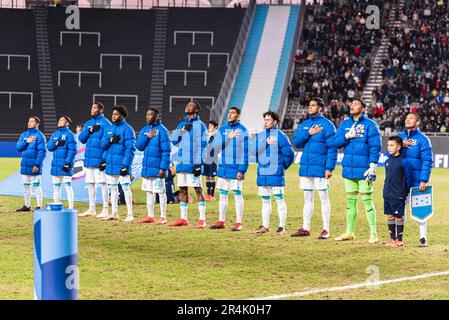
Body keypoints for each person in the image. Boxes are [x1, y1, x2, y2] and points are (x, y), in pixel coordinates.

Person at [332, 98, 381, 244]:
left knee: (367, 201)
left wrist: (373, 165)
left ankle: (373, 234)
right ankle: (349, 232)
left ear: (363, 108)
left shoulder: (370, 125)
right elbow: (335, 143)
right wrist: (346, 136)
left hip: (364, 170)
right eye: (351, 104)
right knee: (350, 202)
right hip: (349, 169)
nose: (352, 106)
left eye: (356, 104)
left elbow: (375, 146)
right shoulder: (345, 124)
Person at [291, 98, 337, 239]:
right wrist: (308, 133)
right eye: (309, 105)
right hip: (306, 167)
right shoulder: (305, 125)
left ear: (320, 108)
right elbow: (296, 142)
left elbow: (332, 147)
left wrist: (329, 167)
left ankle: (326, 229)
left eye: (313, 105)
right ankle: (305, 228)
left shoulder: (328, 125)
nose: (310, 108)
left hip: (320, 169)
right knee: (307, 199)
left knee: (323, 198)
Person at [252, 111, 295, 235]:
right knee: (265, 200)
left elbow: (289, 155)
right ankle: (265, 226)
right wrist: (266, 142)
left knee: (279, 200)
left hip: (276, 174)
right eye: (265, 120)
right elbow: (253, 151)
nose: (266, 122)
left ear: (275, 122)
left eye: (268, 120)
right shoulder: (260, 135)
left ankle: (281, 226)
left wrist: (280, 168)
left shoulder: (281, 136)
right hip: (263, 174)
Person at [169, 100, 208, 228]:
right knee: (182, 190)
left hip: (193, 163)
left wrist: (199, 164)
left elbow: (203, 146)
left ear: (196, 110)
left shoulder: (201, 125)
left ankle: (202, 219)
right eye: (187, 104)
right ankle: (183, 218)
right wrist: (181, 130)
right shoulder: (182, 124)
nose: (188, 106)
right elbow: (174, 140)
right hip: (182, 163)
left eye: (191, 105)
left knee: (198, 189)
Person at [209, 107, 249, 231]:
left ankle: (238, 222)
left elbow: (246, 152)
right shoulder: (223, 129)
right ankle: (221, 221)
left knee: (237, 194)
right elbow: (215, 146)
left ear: (238, 115)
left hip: (236, 169)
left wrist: (242, 170)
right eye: (229, 113)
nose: (229, 115)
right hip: (224, 168)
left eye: (232, 113)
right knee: (223, 195)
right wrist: (228, 138)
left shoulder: (243, 130)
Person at [399, 112, 433, 247]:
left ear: (417, 123)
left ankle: (423, 238)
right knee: (400, 208)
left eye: (411, 118)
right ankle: (398, 238)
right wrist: (401, 145)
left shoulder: (423, 140)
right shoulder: (399, 138)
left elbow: (427, 161)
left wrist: (423, 180)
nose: (408, 119)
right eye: (406, 118)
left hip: (416, 181)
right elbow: (391, 153)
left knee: (421, 209)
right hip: (401, 180)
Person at [136, 107, 171, 225]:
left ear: (156, 117)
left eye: (150, 115)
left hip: (157, 169)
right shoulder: (144, 130)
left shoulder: (163, 131)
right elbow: (139, 146)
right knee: (149, 192)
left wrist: (163, 168)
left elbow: (166, 151)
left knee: (160, 192)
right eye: (147, 114)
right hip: (147, 167)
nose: (148, 116)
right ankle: (150, 216)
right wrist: (147, 137)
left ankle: (163, 216)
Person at [100, 105, 136, 222]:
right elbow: (103, 146)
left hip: (122, 165)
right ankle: (114, 213)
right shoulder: (109, 128)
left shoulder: (128, 129)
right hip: (110, 164)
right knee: (113, 189)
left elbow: (130, 149)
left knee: (125, 188)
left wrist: (126, 165)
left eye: (116, 114)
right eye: (113, 114)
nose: (113, 116)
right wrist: (109, 141)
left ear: (122, 115)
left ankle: (130, 214)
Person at [78, 102, 111, 218]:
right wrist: (89, 130)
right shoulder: (89, 123)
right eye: (91, 107)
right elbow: (81, 139)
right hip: (89, 159)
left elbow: (108, 143)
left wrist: (104, 159)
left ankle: (105, 209)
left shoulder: (106, 123)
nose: (92, 109)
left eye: (95, 108)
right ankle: (91, 209)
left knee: (103, 183)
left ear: (101, 110)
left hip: (99, 159)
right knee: (90, 184)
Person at [383, 136, 412, 248]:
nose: (389, 147)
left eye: (392, 145)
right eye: (388, 145)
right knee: (390, 216)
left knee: (398, 216)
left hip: (398, 194)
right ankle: (392, 239)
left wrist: (404, 192)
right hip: (387, 194)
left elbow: (408, 179)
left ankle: (399, 240)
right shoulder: (387, 161)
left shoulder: (404, 162)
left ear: (399, 147)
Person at [16, 116, 47, 211]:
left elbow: (42, 151)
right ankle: (27, 206)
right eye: (29, 121)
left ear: (37, 124)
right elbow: (18, 148)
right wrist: (26, 141)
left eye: (32, 121)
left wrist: (37, 165)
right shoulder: (24, 135)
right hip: (25, 164)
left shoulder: (40, 136)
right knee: (26, 186)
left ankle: (39, 206)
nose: (29, 123)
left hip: (34, 166)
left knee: (37, 186)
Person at [46, 116, 77, 209]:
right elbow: (49, 147)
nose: (59, 122)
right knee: (56, 187)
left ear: (67, 123)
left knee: (68, 185)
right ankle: (57, 206)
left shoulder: (70, 135)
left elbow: (72, 151)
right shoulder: (55, 134)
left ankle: (71, 207)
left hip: (65, 165)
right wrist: (55, 144)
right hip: (56, 165)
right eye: (59, 120)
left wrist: (67, 163)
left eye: (62, 120)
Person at [204, 120, 218, 201]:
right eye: (208, 126)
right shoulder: (207, 135)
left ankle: (212, 195)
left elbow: (214, 147)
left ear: (215, 127)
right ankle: (208, 194)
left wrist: (209, 138)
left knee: (211, 176)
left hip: (213, 159)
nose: (209, 127)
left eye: (211, 126)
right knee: (207, 176)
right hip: (206, 159)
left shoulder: (216, 136)